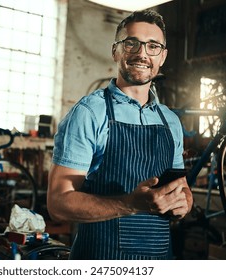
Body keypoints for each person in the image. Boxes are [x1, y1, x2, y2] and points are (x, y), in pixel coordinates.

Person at [47, 9, 193, 260]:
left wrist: (184, 204)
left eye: (153, 46)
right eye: (131, 43)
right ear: (115, 51)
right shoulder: (90, 113)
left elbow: (182, 190)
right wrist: (130, 205)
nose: (142, 53)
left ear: (163, 57)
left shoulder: (170, 121)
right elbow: (58, 203)